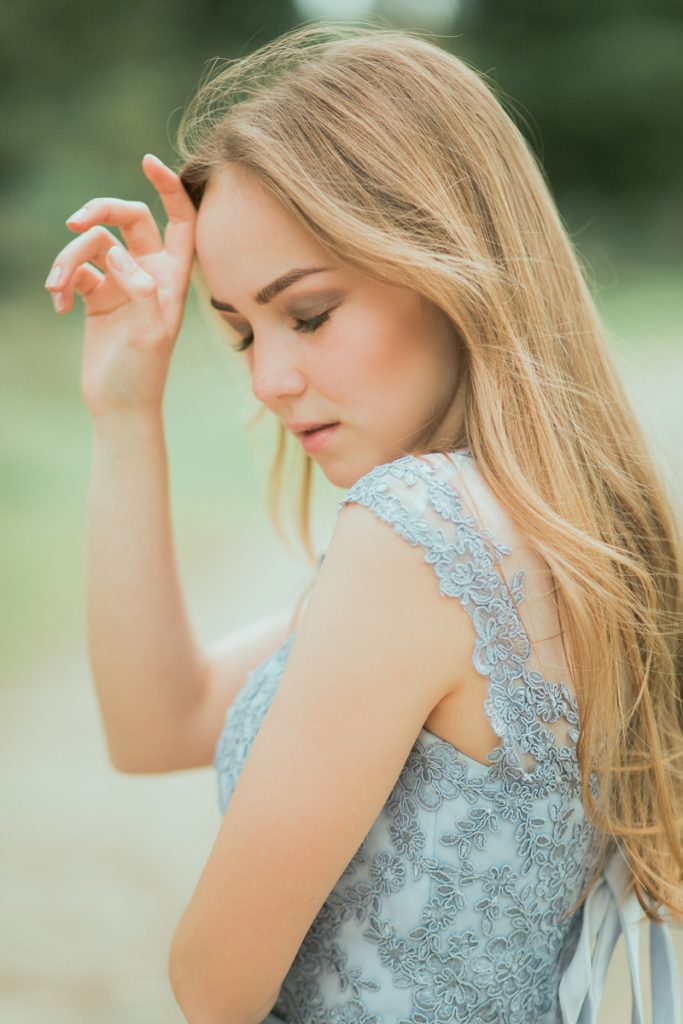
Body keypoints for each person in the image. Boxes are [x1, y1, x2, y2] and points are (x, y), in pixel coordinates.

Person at [44, 21, 682, 1024]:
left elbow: (211, 984)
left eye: (305, 313)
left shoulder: (414, 532)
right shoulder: (550, 526)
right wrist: (124, 411)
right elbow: (155, 722)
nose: (268, 377)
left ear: (441, 260)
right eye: (240, 329)